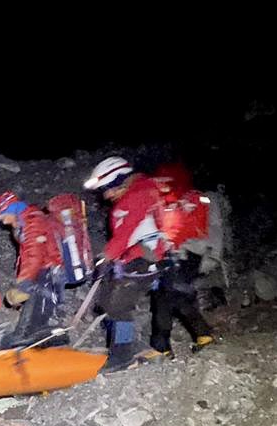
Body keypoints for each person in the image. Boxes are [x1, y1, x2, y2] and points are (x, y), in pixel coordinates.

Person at [84, 156, 170, 369]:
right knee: (108, 301)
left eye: (107, 188)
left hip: (143, 257)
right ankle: (135, 347)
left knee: (118, 305)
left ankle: (123, 356)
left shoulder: (135, 196)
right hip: (139, 256)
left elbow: (126, 233)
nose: (106, 195)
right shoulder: (140, 192)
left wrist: (107, 257)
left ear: (117, 180)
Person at [150, 161, 216, 356]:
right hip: (182, 256)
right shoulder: (177, 200)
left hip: (183, 255)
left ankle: (162, 347)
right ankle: (203, 335)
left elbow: (182, 231)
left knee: (167, 296)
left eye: (164, 181)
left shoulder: (187, 199)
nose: (160, 184)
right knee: (175, 297)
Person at [0, 191, 66, 347]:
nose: (3, 222)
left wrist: (24, 282)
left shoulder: (32, 220)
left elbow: (34, 253)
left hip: (48, 271)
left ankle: (55, 341)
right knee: (31, 317)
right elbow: (24, 256)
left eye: (3, 216)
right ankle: (26, 343)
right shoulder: (24, 222)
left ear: (10, 209)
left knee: (37, 318)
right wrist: (21, 283)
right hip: (39, 272)